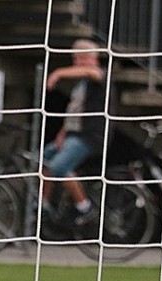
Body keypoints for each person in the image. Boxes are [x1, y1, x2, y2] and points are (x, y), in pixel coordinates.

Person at [41, 38, 108, 230]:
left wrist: (59, 73)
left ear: (91, 58)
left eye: (80, 59)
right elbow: (74, 112)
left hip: (89, 137)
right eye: (75, 59)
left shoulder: (98, 76)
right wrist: (62, 133)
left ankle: (84, 207)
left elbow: (92, 72)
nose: (76, 64)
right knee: (43, 159)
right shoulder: (81, 85)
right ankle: (43, 205)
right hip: (72, 134)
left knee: (58, 167)